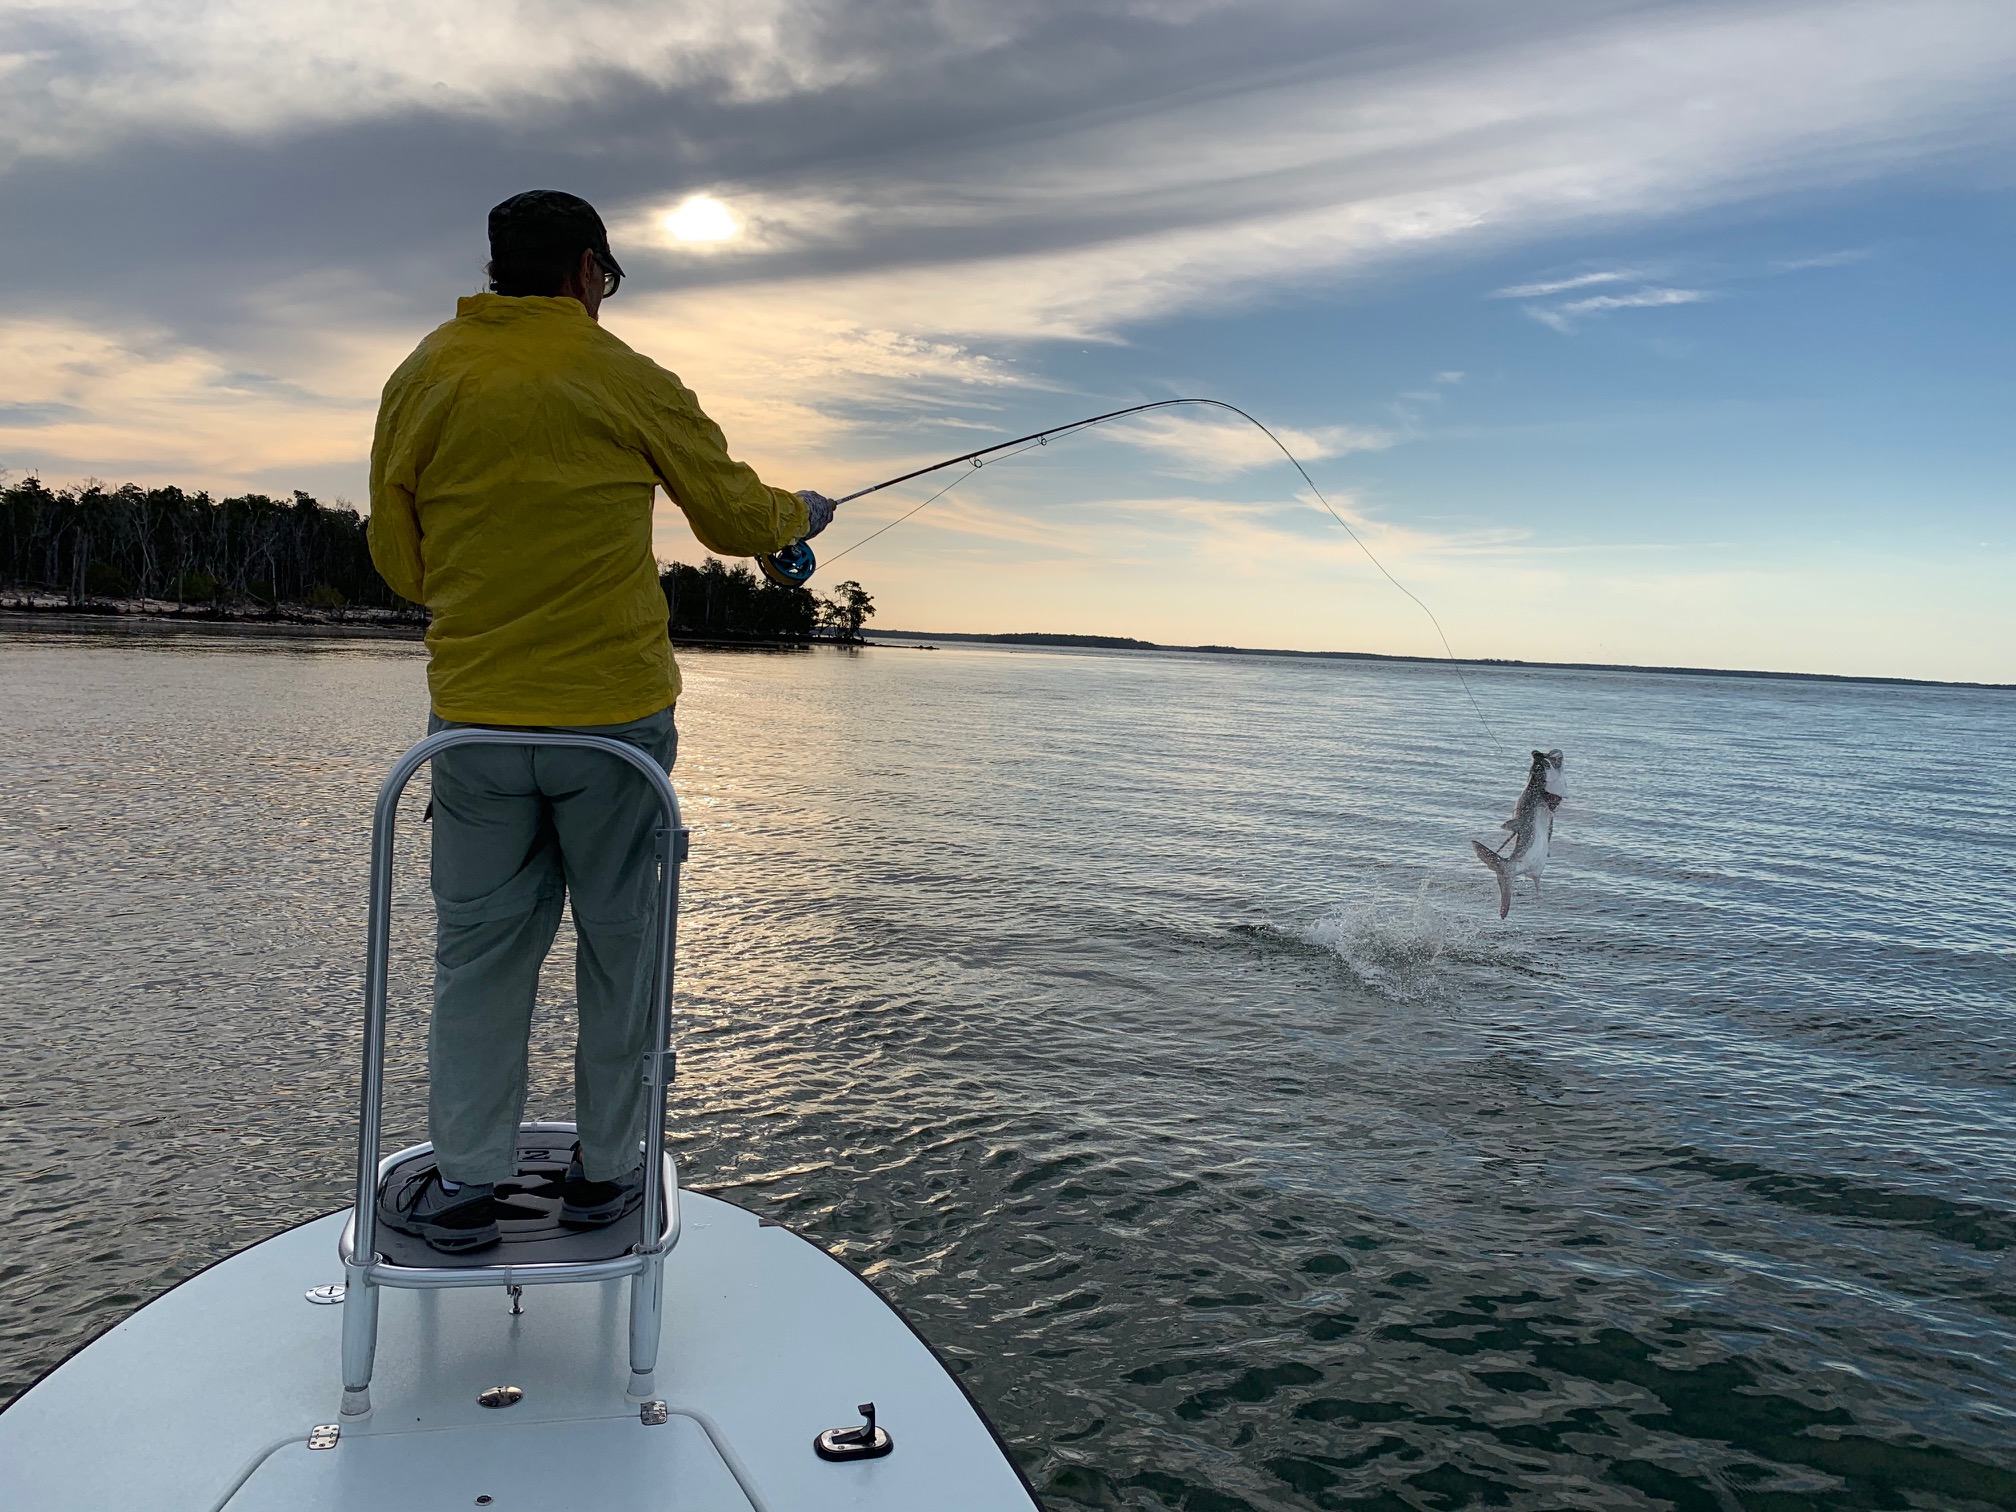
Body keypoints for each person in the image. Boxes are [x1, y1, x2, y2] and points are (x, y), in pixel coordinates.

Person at [366, 189, 836, 1252]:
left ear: (497, 270)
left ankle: (471, 1188)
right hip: (617, 730)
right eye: (606, 278)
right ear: (586, 270)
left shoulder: (423, 377)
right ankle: (608, 1176)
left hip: (476, 726)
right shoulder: (629, 378)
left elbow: (399, 561)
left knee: (480, 959)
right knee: (624, 952)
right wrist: (799, 515)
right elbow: (733, 520)